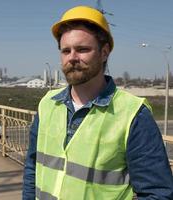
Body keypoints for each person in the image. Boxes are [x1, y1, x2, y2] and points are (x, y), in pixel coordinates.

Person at [23, 5, 173, 200]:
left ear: (104, 52)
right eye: (65, 51)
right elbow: (32, 169)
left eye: (82, 49)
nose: (72, 58)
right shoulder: (47, 104)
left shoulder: (133, 114)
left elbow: (157, 193)